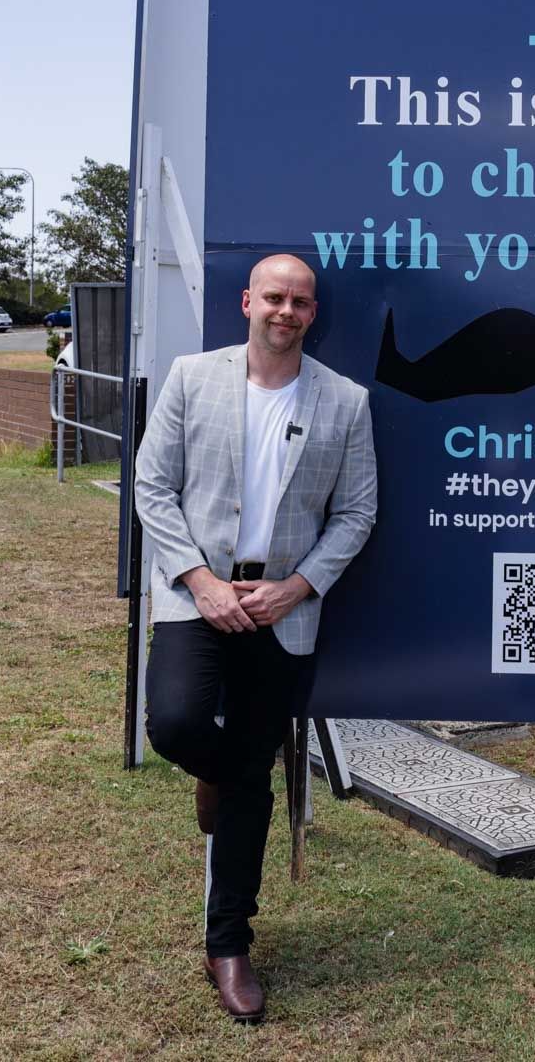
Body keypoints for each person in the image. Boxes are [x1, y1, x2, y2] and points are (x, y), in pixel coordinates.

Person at [134, 253, 377, 1023]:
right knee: (178, 725)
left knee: (247, 769)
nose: (287, 310)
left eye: (301, 301)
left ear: (314, 313)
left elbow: (355, 514)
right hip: (196, 597)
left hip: (283, 608)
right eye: (275, 296)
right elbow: (151, 486)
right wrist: (199, 582)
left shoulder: (345, 401)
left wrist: (296, 586)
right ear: (248, 301)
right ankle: (226, 773)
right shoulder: (190, 377)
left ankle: (229, 945)